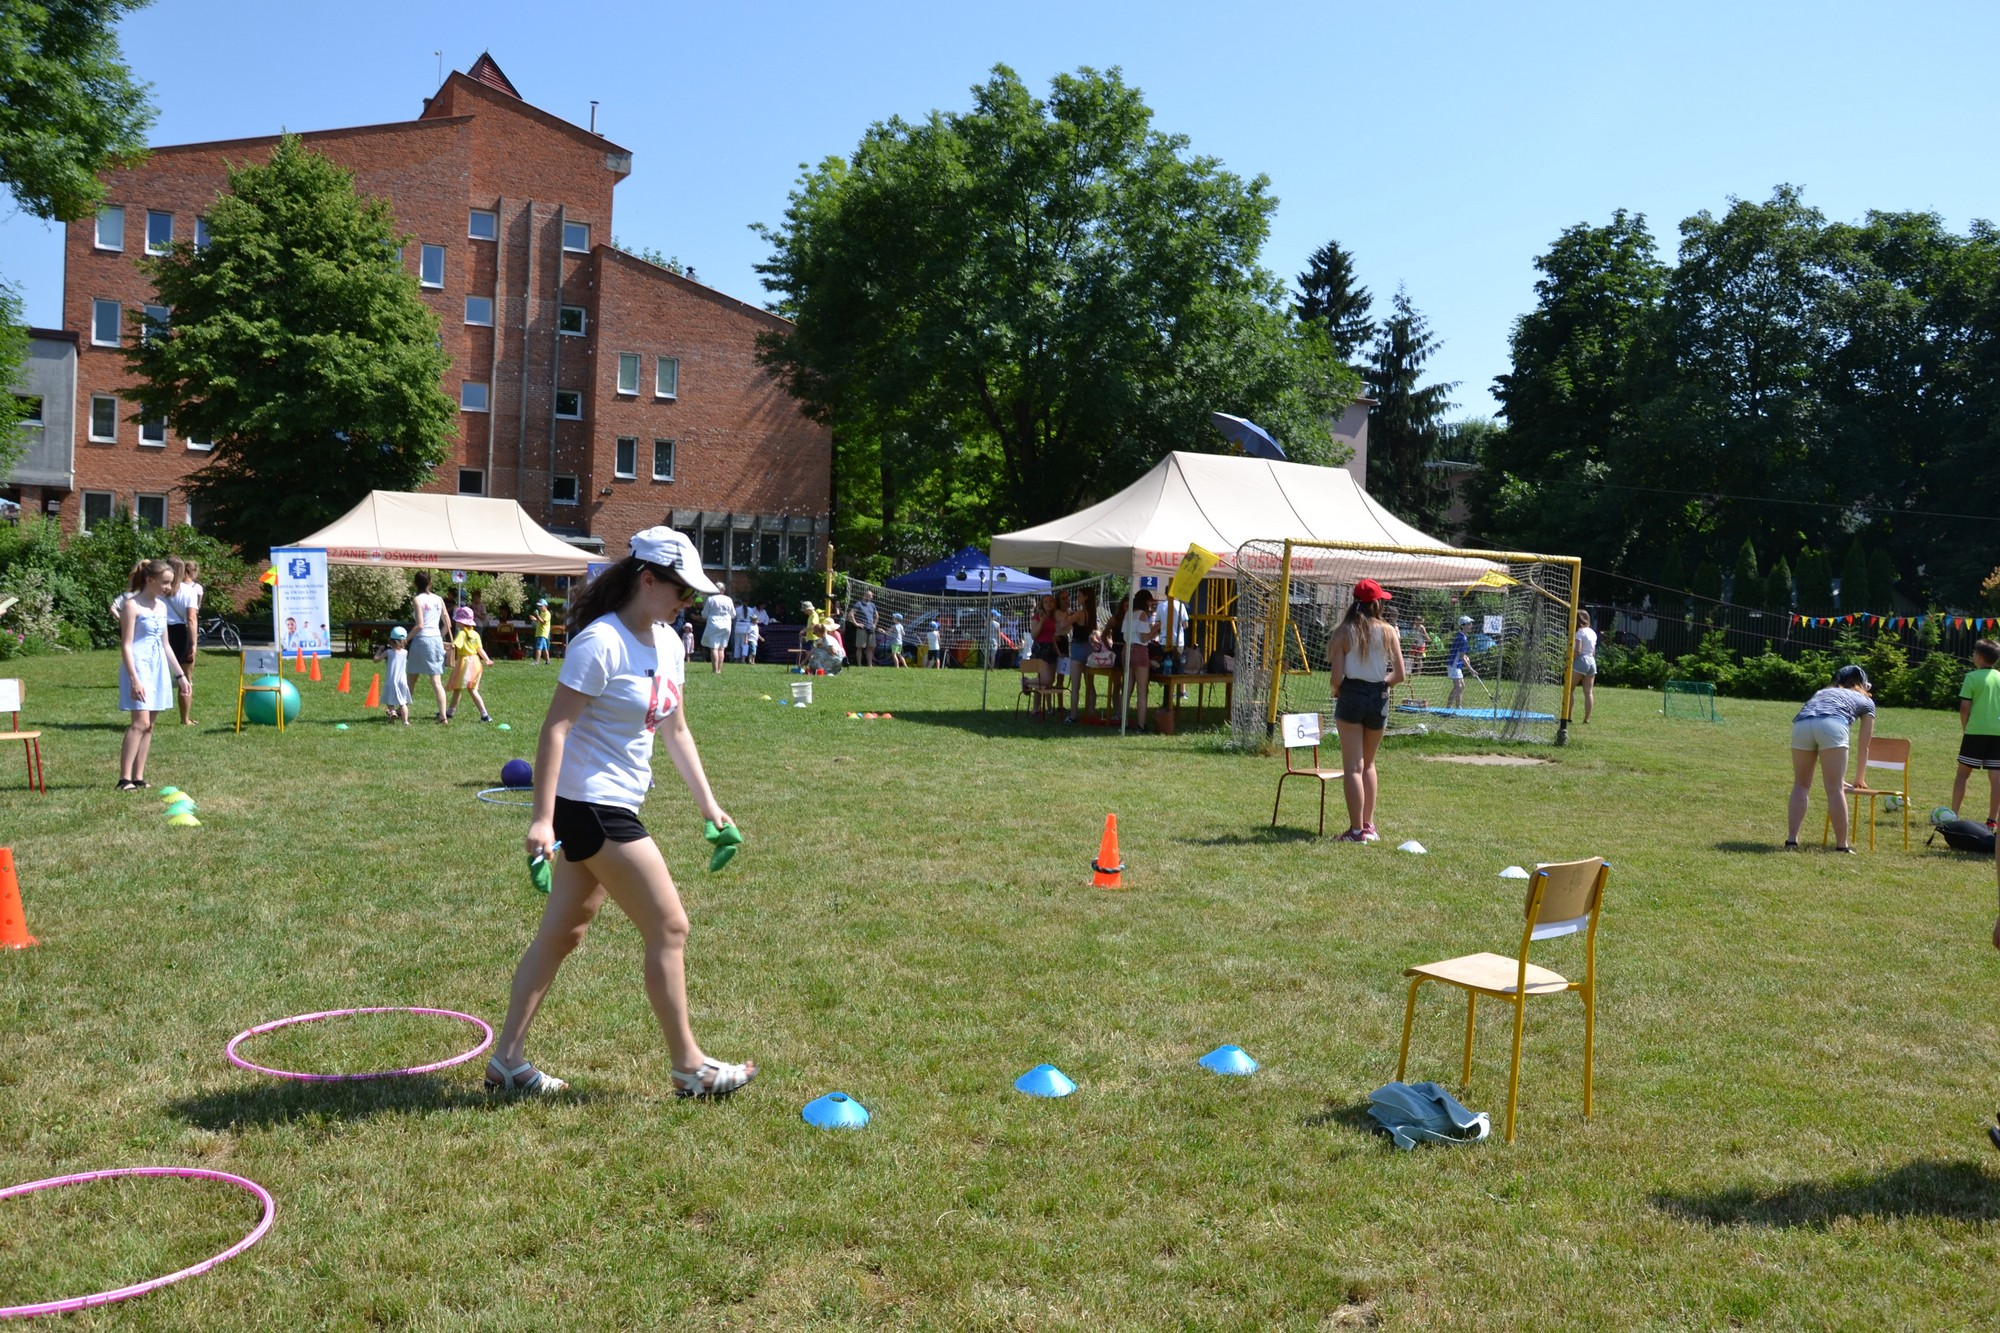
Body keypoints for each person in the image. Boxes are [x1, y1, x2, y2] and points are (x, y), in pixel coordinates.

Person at [490, 526, 756, 1100]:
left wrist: (710, 806)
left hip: (614, 802)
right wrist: (541, 819)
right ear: (648, 579)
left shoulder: (669, 644)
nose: (688, 603)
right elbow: (555, 728)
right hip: (591, 805)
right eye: (682, 591)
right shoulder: (601, 642)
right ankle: (689, 1068)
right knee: (670, 926)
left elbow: (676, 730)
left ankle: (507, 1061)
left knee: (563, 934)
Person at [1326, 579, 1407, 842]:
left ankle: (1355, 831)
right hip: (1378, 696)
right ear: (1377, 603)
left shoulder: (1343, 631)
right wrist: (1382, 686)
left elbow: (1336, 678)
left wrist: (1338, 691)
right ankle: (1368, 826)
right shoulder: (1388, 631)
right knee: (1369, 764)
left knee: (1353, 767)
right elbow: (1400, 675)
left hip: (1351, 694)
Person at [1785, 664, 1876, 853]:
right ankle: (1842, 846)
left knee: (1801, 785)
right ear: (1863, 684)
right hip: (1833, 723)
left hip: (1802, 724)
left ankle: (1792, 841)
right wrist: (1859, 779)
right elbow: (1864, 745)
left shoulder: (1823, 692)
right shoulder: (1866, 700)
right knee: (1835, 790)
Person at [116, 559, 190, 790]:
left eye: (171, 582)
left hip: (157, 668)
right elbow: (126, 645)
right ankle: (124, 779)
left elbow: (165, 645)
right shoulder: (132, 605)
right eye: (165, 582)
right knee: (140, 723)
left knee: (150, 726)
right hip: (138, 666)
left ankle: (138, 776)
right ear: (150, 580)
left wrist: (180, 676)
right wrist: (134, 679)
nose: (169, 587)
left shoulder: (161, 607)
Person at [1950, 640, 2000, 829]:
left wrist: (1966, 728)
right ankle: (1992, 820)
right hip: (1997, 733)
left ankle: (1953, 815)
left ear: (1979, 656)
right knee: (1996, 778)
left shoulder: (1971, 677)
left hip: (1975, 732)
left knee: (1962, 774)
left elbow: (1964, 708)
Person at [164, 558, 203, 726]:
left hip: (159, 629)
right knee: (185, 677)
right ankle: (185, 718)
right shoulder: (189, 591)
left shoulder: (156, 589)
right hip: (180, 632)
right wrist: (194, 644)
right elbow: (191, 619)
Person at [409, 571, 451, 723]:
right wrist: (439, 636)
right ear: (430, 583)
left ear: (415, 584)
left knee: (411, 677)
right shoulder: (439, 599)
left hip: (422, 640)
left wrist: (405, 640)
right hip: (436, 640)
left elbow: (420, 625)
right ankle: (443, 716)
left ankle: (402, 709)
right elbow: (448, 624)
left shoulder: (417, 600)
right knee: (436, 682)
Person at [446, 605, 494, 723]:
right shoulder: (475, 634)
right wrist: (487, 659)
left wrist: (444, 646)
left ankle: (484, 715)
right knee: (464, 688)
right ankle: (450, 712)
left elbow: (454, 646)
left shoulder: (462, 634)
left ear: (461, 622)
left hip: (465, 663)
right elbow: (480, 649)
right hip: (475, 662)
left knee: (464, 689)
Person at [1120, 589, 1158, 731]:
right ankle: (1141, 724)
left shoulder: (1128, 613)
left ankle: (1123, 722)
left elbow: (1126, 635)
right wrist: (1156, 629)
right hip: (1139, 651)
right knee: (1142, 690)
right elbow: (1144, 638)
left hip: (1127, 650)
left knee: (1127, 689)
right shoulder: (1142, 614)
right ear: (1146, 601)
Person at [1063, 588, 1099, 723]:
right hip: (1088, 648)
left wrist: (1068, 615)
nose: (1077, 598)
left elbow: (1065, 624)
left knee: (1075, 686)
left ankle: (1073, 716)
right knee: (1090, 684)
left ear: (1085, 598)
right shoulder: (1092, 614)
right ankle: (1091, 712)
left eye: (1079, 596)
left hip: (1078, 648)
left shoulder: (1079, 613)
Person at [1028, 594, 1060, 715]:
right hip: (1040, 649)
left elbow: (1052, 637)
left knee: (1048, 681)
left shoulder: (1053, 618)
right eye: (1046, 602)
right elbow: (1034, 635)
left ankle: (1040, 708)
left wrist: (1058, 652)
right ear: (1042, 604)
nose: (1049, 604)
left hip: (1051, 649)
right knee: (1046, 679)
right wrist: (1041, 621)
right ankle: (1026, 682)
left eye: (1051, 601)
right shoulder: (1037, 617)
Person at [374, 626, 412, 725]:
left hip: (391, 680)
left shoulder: (388, 652)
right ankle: (405, 721)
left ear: (391, 641)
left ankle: (392, 712)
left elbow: (376, 660)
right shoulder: (405, 652)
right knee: (403, 703)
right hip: (402, 681)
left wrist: (379, 650)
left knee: (389, 701)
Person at [699, 588, 734, 675]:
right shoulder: (728, 599)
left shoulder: (711, 599)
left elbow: (704, 614)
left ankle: (715, 670)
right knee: (722, 648)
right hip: (726, 624)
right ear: (723, 590)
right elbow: (733, 614)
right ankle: (719, 670)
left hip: (713, 624)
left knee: (714, 648)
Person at [1573, 610, 1599, 724]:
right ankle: (1587, 718)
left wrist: (1569, 661)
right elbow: (1593, 651)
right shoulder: (1593, 632)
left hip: (1582, 660)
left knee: (1569, 689)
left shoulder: (1579, 632)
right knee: (1588, 692)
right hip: (1592, 661)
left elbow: (1578, 650)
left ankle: (1568, 716)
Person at [1446, 615, 1473, 709]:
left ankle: (1458, 706)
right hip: (1454, 665)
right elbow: (1461, 657)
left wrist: (1465, 656)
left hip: (1457, 665)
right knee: (1458, 686)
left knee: (1461, 686)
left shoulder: (1461, 636)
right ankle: (1449, 706)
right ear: (1463, 626)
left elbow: (1460, 653)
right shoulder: (1462, 638)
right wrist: (1471, 670)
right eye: (1469, 624)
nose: (1471, 625)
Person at [849, 590, 877, 668]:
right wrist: (856, 623)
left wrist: (874, 624)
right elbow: (851, 614)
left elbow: (877, 615)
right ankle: (859, 665)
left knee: (870, 647)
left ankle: (870, 665)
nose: (871, 597)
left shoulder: (872, 605)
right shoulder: (859, 604)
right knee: (860, 647)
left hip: (870, 628)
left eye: (871, 596)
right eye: (870, 596)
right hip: (862, 629)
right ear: (865, 595)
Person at [532, 598, 553, 665]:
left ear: (545, 606)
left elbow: (543, 622)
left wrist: (537, 616)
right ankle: (548, 661)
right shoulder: (542, 613)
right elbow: (539, 621)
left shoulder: (547, 613)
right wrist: (535, 619)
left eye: (541, 606)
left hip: (542, 633)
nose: (539, 607)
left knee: (538, 647)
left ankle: (536, 662)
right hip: (540, 633)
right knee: (544, 648)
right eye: (538, 606)